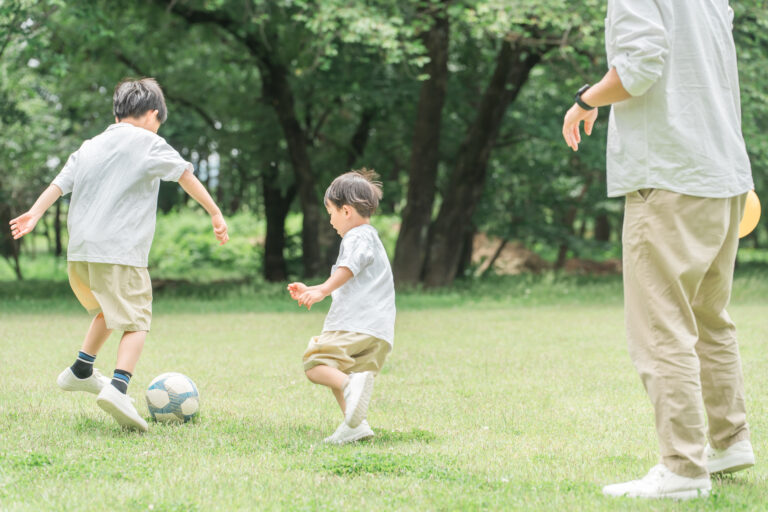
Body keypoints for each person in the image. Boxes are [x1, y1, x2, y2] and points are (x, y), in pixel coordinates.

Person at [562, 0, 755, 500]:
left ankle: (683, 469)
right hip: (723, 174)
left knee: (661, 325)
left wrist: (587, 99)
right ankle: (729, 442)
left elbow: (640, 66)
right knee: (709, 316)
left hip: (669, 176)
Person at [9, 78, 229, 432]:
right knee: (137, 319)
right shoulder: (148, 142)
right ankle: (119, 387)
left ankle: (81, 369)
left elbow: (60, 183)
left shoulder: (91, 145)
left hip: (81, 252)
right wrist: (215, 212)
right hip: (119, 251)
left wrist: (34, 214)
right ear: (153, 115)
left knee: (108, 311)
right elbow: (185, 174)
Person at [288, 170, 396, 445]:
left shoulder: (357, 237)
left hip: (355, 324)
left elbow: (348, 268)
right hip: (378, 331)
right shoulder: (369, 238)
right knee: (343, 371)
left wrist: (323, 290)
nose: (330, 219)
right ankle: (355, 425)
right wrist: (314, 288)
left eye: (331, 212)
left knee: (315, 363)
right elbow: (350, 278)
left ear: (346, 211)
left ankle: (351, 389)